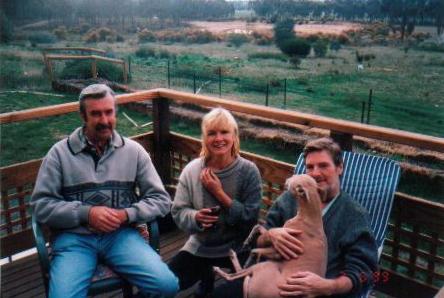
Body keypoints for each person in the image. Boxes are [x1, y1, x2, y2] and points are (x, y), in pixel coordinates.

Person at [31, 84, 178, 298]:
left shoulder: (134, 152)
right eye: (96, 114)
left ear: (115, 112)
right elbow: (40, 206)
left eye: (109, 112)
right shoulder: (59, 154)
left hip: (121, 236)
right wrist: (86, 213)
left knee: (167, 286)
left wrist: (126, 214)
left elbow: (161, 200)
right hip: (74, 240)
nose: (104, 120)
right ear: (83, 116)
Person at [214, 137, 378, 298]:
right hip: (269, 282)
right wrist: (270, 236)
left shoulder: (354, 215)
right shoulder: (290, 199)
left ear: (339, 168)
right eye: (310, 167)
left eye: (323, 166)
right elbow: (257, 240)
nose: (315, 173)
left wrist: (328, 286)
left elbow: (366, 274)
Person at [168, 108, 262, 297]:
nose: (219, 138)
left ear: (234, 136)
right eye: (212, 133)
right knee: (162, 284)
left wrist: (219, 193)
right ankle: (206, 275)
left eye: (224, 132)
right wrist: (195, 217)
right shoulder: (192, 170)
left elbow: (250, 220)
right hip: (200, 247)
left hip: (238, 247)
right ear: (204, 138)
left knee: (252, 289)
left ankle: (207, 279)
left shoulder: (249, 171)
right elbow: (178, 211)